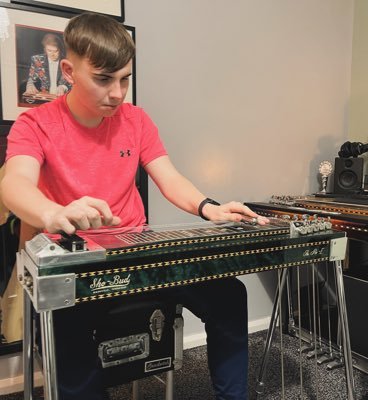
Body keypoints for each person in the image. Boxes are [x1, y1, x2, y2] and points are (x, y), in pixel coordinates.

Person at [1, 13, 268, 400]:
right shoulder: (35, 124)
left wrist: (208, 207)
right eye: (104, 79)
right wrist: (53, 214)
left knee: (230, 295)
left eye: (125, 78)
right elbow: (15, 183)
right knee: (63, 334)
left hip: (137, 254)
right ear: (69, 70)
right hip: (76, 265)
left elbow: (170, 177)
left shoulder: (136, 121)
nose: (118, 93)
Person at [24, 33, 71, 98]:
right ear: (45, 49)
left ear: (60, 50)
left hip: (61, 98)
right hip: (43, 98)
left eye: (55, 51)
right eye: (49, 51)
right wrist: (30, 85)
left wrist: (63, 87)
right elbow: (31, 78)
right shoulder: (37, 60)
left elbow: (73, 83)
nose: (52, 54)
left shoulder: (67, 62)